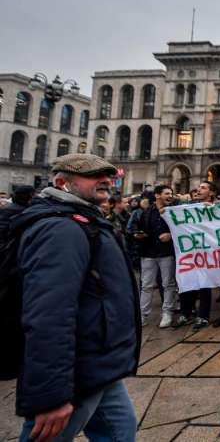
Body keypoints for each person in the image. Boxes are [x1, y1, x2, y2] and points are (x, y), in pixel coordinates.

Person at [13, 154, 139, 441]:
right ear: (62, 183)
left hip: (97, 358)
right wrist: (52, 396)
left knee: (121, 430)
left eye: (107, 175)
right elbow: (48, 313)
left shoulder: (84, 220)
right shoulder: (61, 229)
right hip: (75, 366)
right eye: (94, 175)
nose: (106, 180)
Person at [175, 181, 215, 330]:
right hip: (190, 251)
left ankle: (203, 316)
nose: (199, 190)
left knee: (205, 283)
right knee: (186, 280)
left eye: (203, 188)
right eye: (199, 187)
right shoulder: (189, 206)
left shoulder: (216, 206)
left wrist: (214, 208)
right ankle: (186, 313)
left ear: (211, 193)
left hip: (209, 252)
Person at [139, 184, 179, 328]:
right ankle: (142, 315)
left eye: (171, 193)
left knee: (168, 284)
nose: (170, 196)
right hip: (148, 253)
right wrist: (140, 235)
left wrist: (171, 235)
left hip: (166, 253)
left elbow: (182, 228)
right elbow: (141, 227)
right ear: (157, 195)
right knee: (146, 285)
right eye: (167, 193)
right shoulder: (147, 211)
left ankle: (167, 313)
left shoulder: (174, 211)